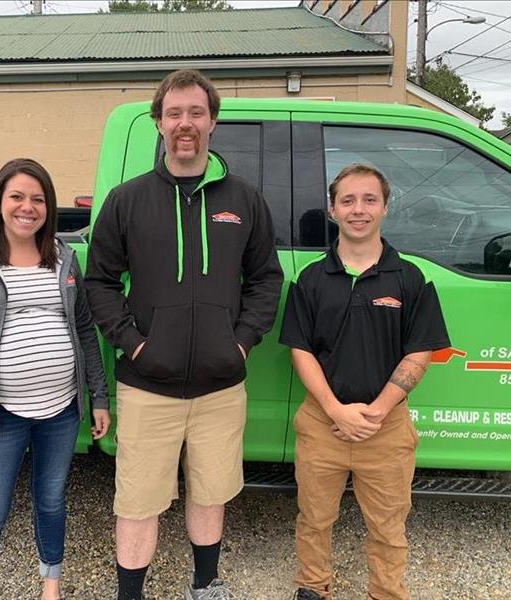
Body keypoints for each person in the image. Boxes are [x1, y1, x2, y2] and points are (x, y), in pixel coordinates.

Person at [85, 69, 282, 600]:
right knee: (138, 502)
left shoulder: (243, 199)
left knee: (210, 494)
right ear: (158, 123)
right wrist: (135, 343)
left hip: (220, 387)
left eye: (196, 113)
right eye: (174, 114)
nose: (185, 124)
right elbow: (99, 282)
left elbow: (266, 279)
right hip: (148, 385)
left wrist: (239, 342)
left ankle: (205, 585)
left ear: (213, 122)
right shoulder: (127, 201)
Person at [0, 158, 110, 600]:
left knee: (51, 500)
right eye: (17, 196)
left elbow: (84, 329)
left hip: (61, 410)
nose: (27, 207)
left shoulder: (64, 258)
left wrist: (99, 396)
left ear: (48, 207)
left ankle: (50, 584)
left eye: (37, 199)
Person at [280, 164, 450, 600]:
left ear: (385, 208)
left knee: (389, 525)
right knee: (314, 518)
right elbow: (301, 350)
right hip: (322, 424)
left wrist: (379, 409)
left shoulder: (410, 279)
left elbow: (420, 352)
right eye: (349, 201)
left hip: (386, 428)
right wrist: (335, 410)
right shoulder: (311, 280)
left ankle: (386, 592)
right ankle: (312, 586)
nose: (359, 210)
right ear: (333, 210)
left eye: (369, 200)